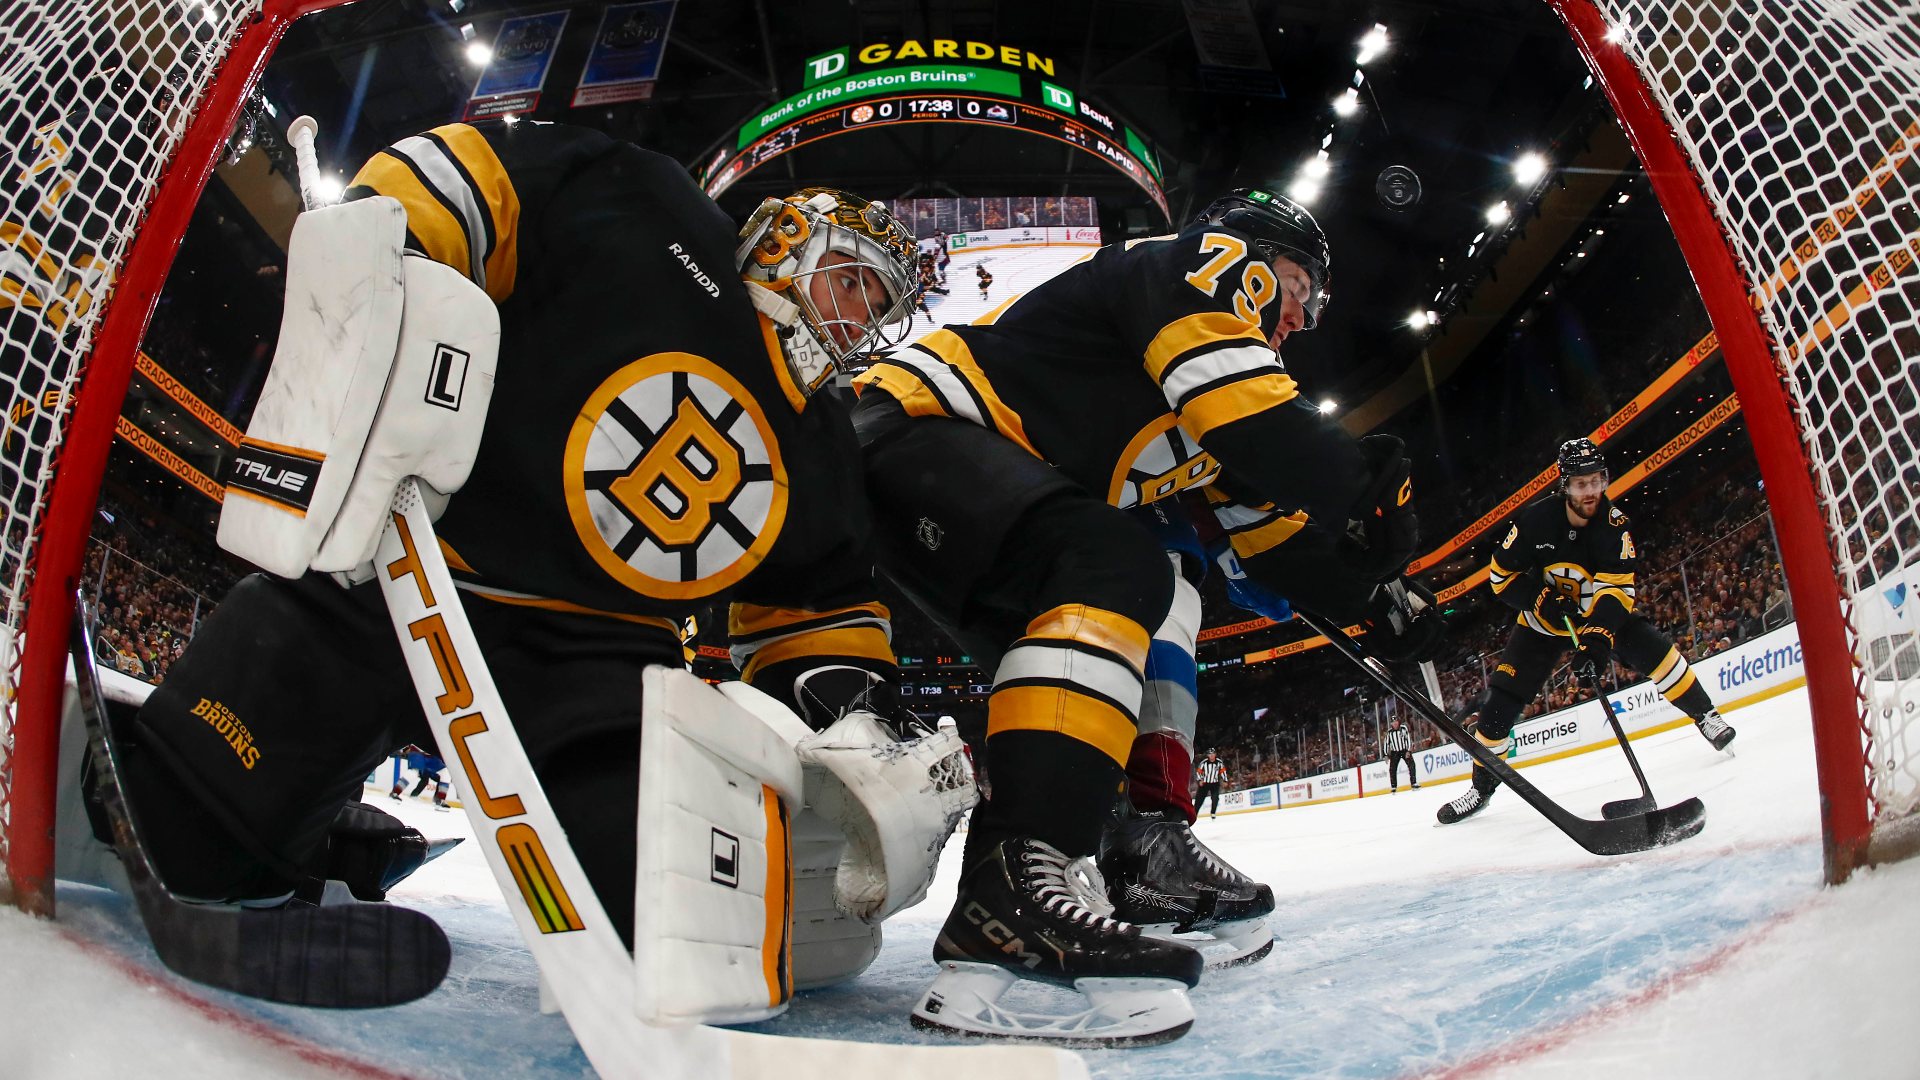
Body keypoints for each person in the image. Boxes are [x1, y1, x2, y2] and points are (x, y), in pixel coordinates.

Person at [104, 120, 922, 957]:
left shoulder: (823, 447)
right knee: (184, 835)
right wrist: (394, 259)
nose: (861, 318)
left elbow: (819, 609)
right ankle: (314, 834)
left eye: (881, 307)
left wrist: (856, 715)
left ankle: (343, 840)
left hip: (597, 663)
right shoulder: (649, 206)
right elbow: (469, 176)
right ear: (785, 239)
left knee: (665, 937)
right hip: (400, 572)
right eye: (855, 280)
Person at [851, 186, 1439, 1041]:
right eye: (1301, 286)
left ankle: (1093, 867)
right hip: (910, 428)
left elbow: (1275, 545)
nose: (1302, 317)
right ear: (1254, 251)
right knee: (1119, 564)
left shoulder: (1206, 407)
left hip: (946, 486)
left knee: (1114, 644)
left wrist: (1376, 600)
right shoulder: (1200, 261)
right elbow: (1263, 430)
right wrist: (1361, 490)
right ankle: (1015, 893)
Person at [1437, 437, 1736, 825]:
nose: (1591, 490)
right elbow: (1500, 578)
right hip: (1542, 624)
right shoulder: (1535, 521)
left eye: (1596, 481)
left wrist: (1596, 639)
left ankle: (1706, 716)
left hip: (1597, 615)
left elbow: (1617, 592)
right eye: (1581, 483)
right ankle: (1481, 790)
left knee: (1657, 651)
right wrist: (1540, 598)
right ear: (1565, 485)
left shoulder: (1614, 525)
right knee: (1498, 707)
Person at [1383, 719, 1417, 792]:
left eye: (1396, 721)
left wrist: (1408, 750)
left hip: (1404, 750)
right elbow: (1386, 743)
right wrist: (1385, 754)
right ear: (1391, 724)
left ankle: (1414, 783)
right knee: (1392, 769)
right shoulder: (1389, 732)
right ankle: (1393, 786)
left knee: (1411, 765)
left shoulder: (1403, 728)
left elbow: (1408, 739)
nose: (1395, 723)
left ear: (1398, 722)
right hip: (1395, 752)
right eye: (1393, 722)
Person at [1194, 748, 1228, 818]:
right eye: (1210, 754)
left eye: (1213, 754)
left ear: (1215, 754)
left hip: (1215, 783)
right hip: (1205, 783)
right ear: (1207, 755)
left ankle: (1213, 812)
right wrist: (1200, 780)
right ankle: (1194, 814)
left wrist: (1225, 780)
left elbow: (1223, 772)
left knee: (1215, 798)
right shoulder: (1204, 762)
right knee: (1199, 800)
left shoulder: (1219, 762)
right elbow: (1199, 772)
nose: (1211, 755)